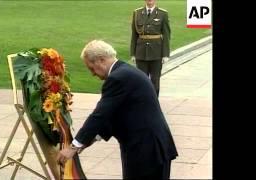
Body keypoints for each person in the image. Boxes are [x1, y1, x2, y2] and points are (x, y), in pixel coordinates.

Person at [56, 40, 178, 179]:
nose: (93, 74)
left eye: (92, 68)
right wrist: (88, 141)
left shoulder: (118, 78)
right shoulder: (125, 72)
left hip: (145, 150)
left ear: (101, 60)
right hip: (151, 147)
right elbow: (116, 117)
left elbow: (99, 115)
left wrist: (74, 147)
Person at [130, 0, 171, 97]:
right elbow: (134, 35)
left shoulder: (162, 14)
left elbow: (166, 35)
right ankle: (142, 101)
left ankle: (154, 101)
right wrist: (133, 53)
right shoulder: (137, 13)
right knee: (141, 80)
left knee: (155, 80)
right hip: (141, 52)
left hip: (156, 52)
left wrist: (165, 54)